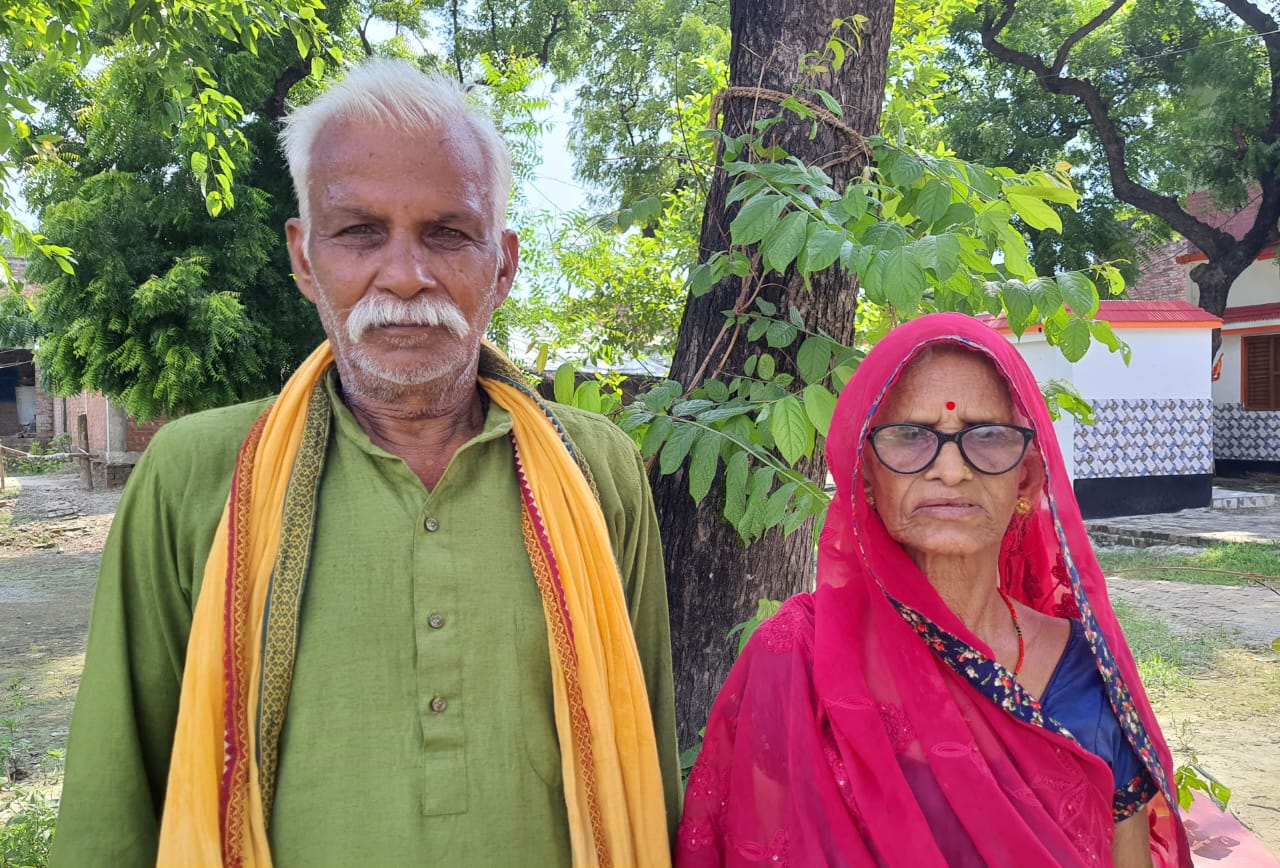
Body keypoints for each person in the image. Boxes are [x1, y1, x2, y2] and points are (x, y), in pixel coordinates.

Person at [51, 58, 679, 867]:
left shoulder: (596, 468)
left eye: (449, 233)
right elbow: (116, 793)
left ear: (505, 264)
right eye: (359, 232)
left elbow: (647, 756)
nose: (407, 276)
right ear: (305, 257)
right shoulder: (197, 472)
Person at [676, 313, 1191, 867]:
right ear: (865, 475)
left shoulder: (1088, 665)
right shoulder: (798, 658)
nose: (950, 471)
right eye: (910, 436)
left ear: (1026, 476)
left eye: (988, 436)